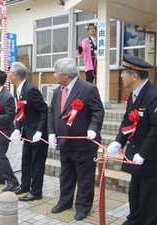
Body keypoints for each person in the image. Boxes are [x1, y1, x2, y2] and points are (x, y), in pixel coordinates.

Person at [107, 54, 157, 225]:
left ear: (134, 76)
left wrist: (143, 153)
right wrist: (118, 141)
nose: (121, 75)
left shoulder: (154, 96)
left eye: (123, 72)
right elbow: (128, 120)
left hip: (153, 160)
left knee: (149, 202)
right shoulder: (134, 95)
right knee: (135, 195)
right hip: (138, 158)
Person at [48, 58, 104, 221]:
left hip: (84, 144)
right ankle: (65, 201)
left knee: (85, 178)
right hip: (64, 143)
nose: (54, 75)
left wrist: (93, 129)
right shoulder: (58, 90)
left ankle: (83, 207)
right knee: (66, 175)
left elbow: (97, 112)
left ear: (65, 74)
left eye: (56, 72)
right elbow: (52, 112)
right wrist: (51, 132)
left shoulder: (88, 89)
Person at [8, 62, 48, 201]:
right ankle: (25, 185)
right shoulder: (20, 89)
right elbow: (20, 111)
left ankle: (36, 191)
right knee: (26, 160)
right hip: (27, 133)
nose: (8, 76)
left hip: (38, 135)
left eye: (9, 74)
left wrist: (39, 131)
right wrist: (17, 129)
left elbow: (44, 110)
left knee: (36, 163)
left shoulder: (30, 90)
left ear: (15, 75)